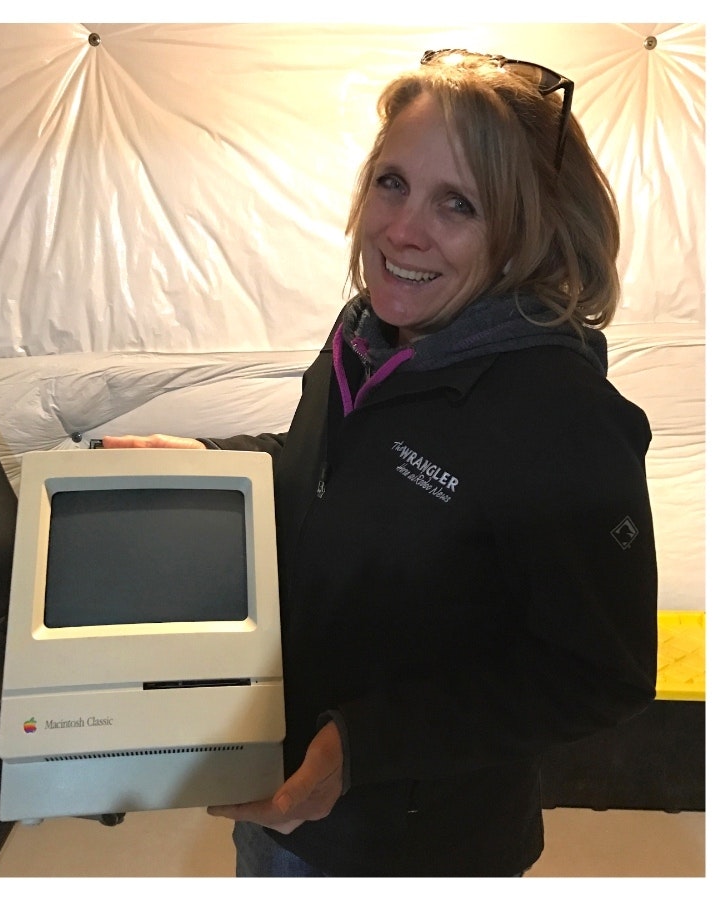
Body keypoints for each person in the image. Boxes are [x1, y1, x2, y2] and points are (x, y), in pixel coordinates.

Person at [104, 50, 657, 876]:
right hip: (281, 798)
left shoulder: (560, 415)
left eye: (458, 205)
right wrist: (217, 463)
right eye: (392, 182)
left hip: (418, 846)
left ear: (524, 233)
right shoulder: (364, 335)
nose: (402, 231)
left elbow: (599, 673)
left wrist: (357, 748)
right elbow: (333, 471)